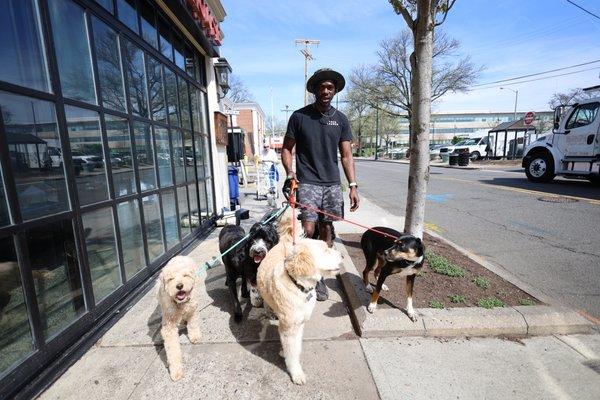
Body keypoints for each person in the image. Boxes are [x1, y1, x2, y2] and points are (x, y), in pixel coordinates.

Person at [281, 68, 359, 301]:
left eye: (330, 88)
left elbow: (346, 156)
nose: (326, 91)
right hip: (308, 182)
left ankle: (319, 276)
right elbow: (287, 148)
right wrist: (290, 173)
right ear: (314, 90)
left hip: (333, 184)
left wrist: (353, 185)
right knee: (308, 229)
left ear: (334, 91)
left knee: (327, 229)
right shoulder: (299, 117)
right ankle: (302, 272)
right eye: (322, 87)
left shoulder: (341, 119)